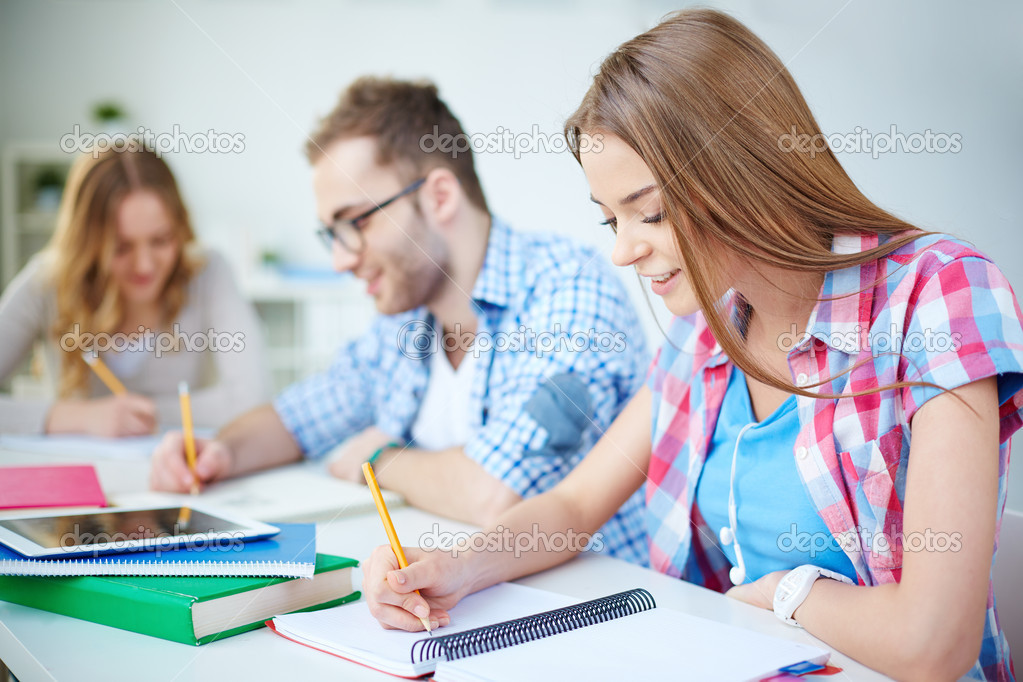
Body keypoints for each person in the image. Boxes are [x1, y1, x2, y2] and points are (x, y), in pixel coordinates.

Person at [358, 10, 1023, 681]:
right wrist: (458, 566)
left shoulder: (941, 296)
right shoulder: (704, 330)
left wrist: (792, 598)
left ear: (746, 167)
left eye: (648, 213)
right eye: (609, 217)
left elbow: (934, 644)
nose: (622, 249)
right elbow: (573, 505)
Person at [149, 77, 650, 565]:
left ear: (438, 197)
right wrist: (219, 453)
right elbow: (299, 418)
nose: (342, 260)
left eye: (355, 223)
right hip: (462, 590)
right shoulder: (407, 314)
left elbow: (495, 494)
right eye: (332, 235)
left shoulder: (568, 288)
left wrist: (380, 459)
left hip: (595, 607)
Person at [0, 143, 268, 436]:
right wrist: (81, 417)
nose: (144, 266)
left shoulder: (208, 274)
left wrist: (139, 415)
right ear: (87, 244)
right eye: (122, 247)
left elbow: (252, 400)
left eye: (161, 240)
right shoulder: (47, 284)